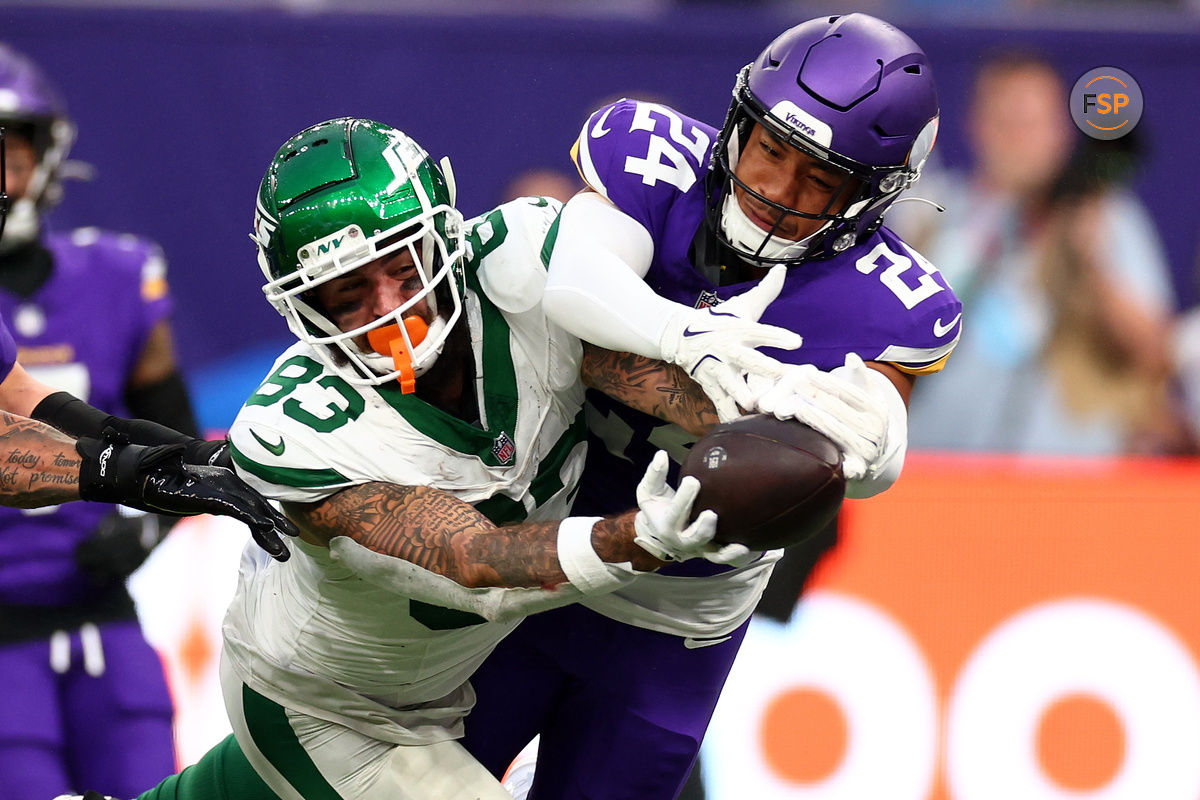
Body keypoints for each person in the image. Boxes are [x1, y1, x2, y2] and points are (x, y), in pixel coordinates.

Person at [59, 116, 798, 800]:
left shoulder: (519, 269)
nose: (390, 308)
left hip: (460, 672)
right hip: (331, 709)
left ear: (446, 235)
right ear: (302, 307)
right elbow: (474, 557)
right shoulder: (297, 429)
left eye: (403, 265)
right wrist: (633, 538)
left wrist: (789, 405)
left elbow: (623, 369)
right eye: (348, 292)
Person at [459, 13, 962, 799]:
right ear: (739, 122)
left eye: (819, 178)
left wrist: (864, 443)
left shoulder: (891, 302)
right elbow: (571, 283)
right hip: (532, 551)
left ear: (872, 196)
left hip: (673, 618)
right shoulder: (652, 157)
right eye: (771, 150)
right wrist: (685, 338)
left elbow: (871, 454)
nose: (776, 192)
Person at [0, 43, 220, 798]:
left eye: (7, 154)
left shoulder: (116, 276)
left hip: (103, 618)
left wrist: (146, 527)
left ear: (47, 154)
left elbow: (181, 446)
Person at [891, 48, 1185, 456]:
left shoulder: (1106, 217)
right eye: (1005, 122)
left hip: (1068, 481)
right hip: (934, 470)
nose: (1018, 140)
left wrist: (1090, 261)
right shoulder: (929, 214)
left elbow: (1157, 354)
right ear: (976, 126)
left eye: (1031, 123)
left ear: (1060, 131)